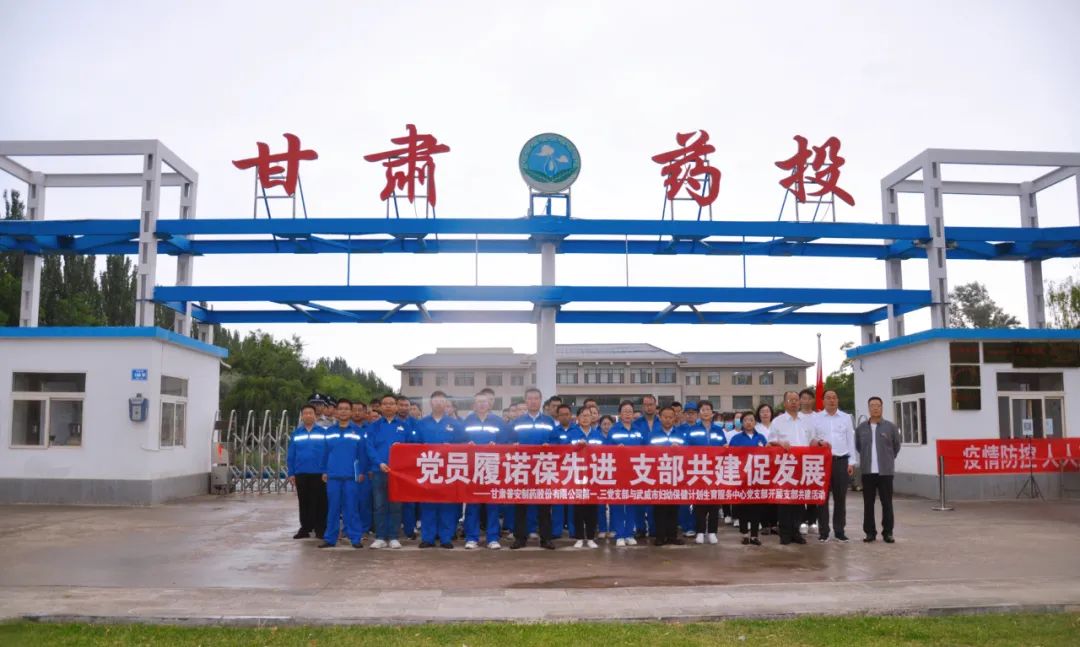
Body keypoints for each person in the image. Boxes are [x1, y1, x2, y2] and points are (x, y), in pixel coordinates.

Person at [413, 391, 463, 549]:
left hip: (447, 469)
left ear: (446, 403)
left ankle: (445, 538)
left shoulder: (454, 424)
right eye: (436, 400)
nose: (439, 403)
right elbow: (413, 444)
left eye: (442, 400)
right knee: (428, 503)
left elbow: (463, 445)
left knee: (446, 504)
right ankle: (428, 537)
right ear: (431, 403)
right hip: (428, 468)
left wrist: (452, 447)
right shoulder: (421, 423)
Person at [510, 387, 557, 550]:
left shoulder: (549, 421)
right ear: (525, 401)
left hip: (543, 468)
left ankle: (546, 539)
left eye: (536, 398)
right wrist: (513, 445)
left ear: (541, 400)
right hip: (522, 467)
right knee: (521, 504)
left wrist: (550, 445)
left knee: (544, 505)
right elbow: (509, 441)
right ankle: (519, 538)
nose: (533, 401)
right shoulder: (517, 422)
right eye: (530, 398)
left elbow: (556, 442)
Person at [461, 390, 508, 549]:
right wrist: (466, 445)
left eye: (484, 401)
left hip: (492, 467)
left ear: (489, 404)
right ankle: (471, 538)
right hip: (472, 468)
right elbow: (459, 441)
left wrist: (497, 446)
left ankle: (492, 538)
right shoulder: (467, 421)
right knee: (472, 504)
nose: (481, 404)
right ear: (474, 405)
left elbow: (506, 442)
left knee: (492, 504)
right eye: (479, 402)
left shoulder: (498, 422)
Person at [318, 399, 367, 549]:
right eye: (341, 409)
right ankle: (330, 538)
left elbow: (362, 454)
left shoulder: (358, 432)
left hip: (351, 476)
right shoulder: (329, 432)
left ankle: (355, 538)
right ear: (336, 412)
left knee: (351, 508)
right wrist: (324, 470)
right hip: (333, 476)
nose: (343, 411)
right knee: (333, 509)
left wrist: (362, 472)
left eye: (346, 409)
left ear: (351, 412)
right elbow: (325, 453)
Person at [810, 390, 857, 542]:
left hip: (841, 461)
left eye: (834, 398)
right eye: (828, 398)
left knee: (840, 498)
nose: (832, 400)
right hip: (822, 462)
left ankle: (839, 531)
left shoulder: (846, 418)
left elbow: (850, 440)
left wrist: (851, 462)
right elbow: (811, 439)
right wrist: (819, 442)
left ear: (838, 400)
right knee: (822, 498)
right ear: (823, 401)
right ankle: (823, 531)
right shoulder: (816, 418)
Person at [768, 391, 813, 545]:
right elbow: (770, 441)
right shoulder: (778, 421)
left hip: (803, 465)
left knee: (799, 500)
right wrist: (780, 443)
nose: (794, 402)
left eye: (796, 400)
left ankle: (796, 531)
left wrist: (820, 443)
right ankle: (785, 533)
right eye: (790, 400)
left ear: (799, 402)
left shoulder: (806, 421)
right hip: (785, 466)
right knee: (785, 500)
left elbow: (811, 440)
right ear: (785, 403)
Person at [366, 393, 409, 549]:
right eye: (385, 404)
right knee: (379, 505)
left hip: (398, 473)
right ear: (380, 407)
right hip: (379, 471)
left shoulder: (405, 426)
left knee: (396, 505)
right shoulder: (373, 426)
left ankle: (393, 536)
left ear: (396, 406)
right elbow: (369, 447)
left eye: (391, 403)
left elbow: (411, 448)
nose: (388, 406)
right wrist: (379, 463)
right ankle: (380, 537)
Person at [855, 396, 901, 543]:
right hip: (867, 471)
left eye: (878, 405)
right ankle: (870, 532)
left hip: (885, 472)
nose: (875, 408)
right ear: (868, 408)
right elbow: (858, 446)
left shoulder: (890, 427)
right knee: (868, 503)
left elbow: (896, 446)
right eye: (872, 405)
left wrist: (887, 459)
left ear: (882, 408)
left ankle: (888, 532)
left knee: (887, 503)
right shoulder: (861, 428)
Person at [286, 403, 328, 540]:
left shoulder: (323, 432)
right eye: (305, 413)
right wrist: (291, 473)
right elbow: (291, 454)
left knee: (320, 502)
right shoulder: (296, 434)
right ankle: (305, 528)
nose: (308, 415)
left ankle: (320, 529)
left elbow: (327, 453)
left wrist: (326, 470)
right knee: (304, 501)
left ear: (315, 416)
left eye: (311, 413)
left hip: (319, 473)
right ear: (302, 416)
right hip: (301, 472)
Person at [687, 400, 726, 544]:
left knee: (714, 502)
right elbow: (687, 448)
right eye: (703, 410)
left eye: (708, 409)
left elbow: (724, 447)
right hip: (698, 469)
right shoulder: (693, 429)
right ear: (699, 413)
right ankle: (700, 532)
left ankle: (712, 532)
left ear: (712, 412)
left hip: (715, 470)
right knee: (699, 502)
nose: (705, 412)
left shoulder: (718, 430)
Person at [648, 406, 687, 546]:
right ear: (660, 417)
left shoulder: (680, 435)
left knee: (673, 508)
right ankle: (660, 536)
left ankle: (672, 536)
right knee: (659, 508)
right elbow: (646, 453)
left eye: (671, 417)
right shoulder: (652, 435)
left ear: (674, 418)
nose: (668, 420)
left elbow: (688, 453)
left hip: (675, 476)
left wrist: (680, 450)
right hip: (658, 476)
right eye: (665, 417)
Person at [567, 406, 604, 549]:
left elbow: (604, 454)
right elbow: (565, 451)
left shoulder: (598, 435)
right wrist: (576, 446)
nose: (585, 418)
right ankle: (579, 537)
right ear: (578, 418)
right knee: (578, 509)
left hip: (593, 476)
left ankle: (590, 537)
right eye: (582, 415)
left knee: (592, 508)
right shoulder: (572, 434)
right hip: (576, 476)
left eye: (588, 415)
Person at [729, 410, 768, 546]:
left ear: (755, 422)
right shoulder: (736, 438)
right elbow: (730, 456)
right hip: (742, 477)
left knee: (756, 507)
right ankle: (744, 534)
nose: (749, 422)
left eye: (751, 420)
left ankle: (754, 535)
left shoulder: (761, 438)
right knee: (743, 507)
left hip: (757, 477)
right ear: (742, 423)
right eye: (746, 420)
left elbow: (768, 455)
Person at [609, 400, 643, 547]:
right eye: (625, 411)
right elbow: (607, 449)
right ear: (620, 414)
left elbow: (645, 449)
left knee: (631, 503)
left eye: (630, 411)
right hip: (618, 471)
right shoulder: (614, 430)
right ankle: (620, 534)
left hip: (635, 472)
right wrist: (616, 449)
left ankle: (629, 533)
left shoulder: (638, 430)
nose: (628, 414)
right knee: (618, 503)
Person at [632, 395, 662, 541]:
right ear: (642, 407)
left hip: (659, 465)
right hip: (640, 465)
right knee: (639, 498)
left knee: (655, 498)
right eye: (646, 405)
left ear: (656, 405)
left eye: (651, 404)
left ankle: (655, 528)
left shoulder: (662, 422)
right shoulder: (636, 424)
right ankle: (640, 529)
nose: (648, 407)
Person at [395, 395, 420, 540]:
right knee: (393, 500)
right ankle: (394, 529)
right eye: (401, 405)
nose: (404, 408)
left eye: (406, 406)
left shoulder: (416, 424)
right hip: (393, 467)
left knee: (410, 500)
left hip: (411, 467)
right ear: (396, 406)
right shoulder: (390, 423)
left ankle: (410, 529)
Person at [549, 403, 576, 539]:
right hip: (558, 471)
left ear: (571, 415)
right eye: (561, 415)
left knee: (572, 501)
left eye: (567, 414)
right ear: (557, 416)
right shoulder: (553, 431)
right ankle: (556, 530)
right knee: (557, 501)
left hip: (574, 470)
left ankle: (573, 530)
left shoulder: (577, 430)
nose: (564, 417)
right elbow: (552, 450)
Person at [350, 401, 374, 538]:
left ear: (366, 413)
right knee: (350, 502)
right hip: (349, 472)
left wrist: (370, 468)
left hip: (366, 472)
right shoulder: (346, 429)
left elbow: (373, 450)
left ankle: (365, 528)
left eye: (360, 410)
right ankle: (350, 528)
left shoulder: (370, 429)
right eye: (355, 410)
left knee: (365, 502)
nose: (357, 413)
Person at [798, 388, 820, 535]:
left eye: (809, 398)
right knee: (800, 491)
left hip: (814, 459)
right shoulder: (796, 417)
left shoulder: (818, 417)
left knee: (812, 490)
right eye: (803, 398)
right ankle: (802, 521)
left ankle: (812, 520)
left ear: (813, 400)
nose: (806, 401)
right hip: (798, 458)